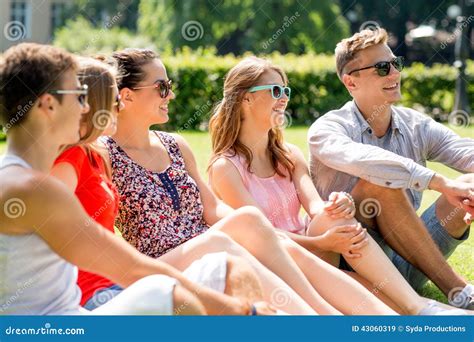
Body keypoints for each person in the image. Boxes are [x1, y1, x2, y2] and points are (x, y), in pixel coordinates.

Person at [105, 48, 461, 315]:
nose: (171, 94)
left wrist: (325, 214)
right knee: (250, 224)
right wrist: (308, 237)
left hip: (222, 242)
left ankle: (404, 316)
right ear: (127, 95)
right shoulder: (107, 153)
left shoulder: (175, 145)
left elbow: (214, 211)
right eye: (162, 86)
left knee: (265, 231)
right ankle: (325, 323)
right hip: (163, 259)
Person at [0, 43, 272, 316]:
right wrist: (244, 311)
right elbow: (131, 269)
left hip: (75, 315)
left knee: (228, 269)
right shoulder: (33, 189)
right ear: (48, 105)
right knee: (167, 296)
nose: (86, 108)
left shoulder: (26, 179)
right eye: (79, 97)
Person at [207, 55, 469, 316]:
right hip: (274, 263)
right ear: (246, 98)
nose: (284, 98)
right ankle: (422, 308)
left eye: (285, 90)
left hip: (315, 254)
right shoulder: (225, 168)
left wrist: (339, 203)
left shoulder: (289, 155)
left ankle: (424, 308)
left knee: (333, 216)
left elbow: (315, 207)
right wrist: (321, 242)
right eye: (275, 90)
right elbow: (261, 235)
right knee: (386, 307)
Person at [307, 28, 474, 309]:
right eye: (383, 68)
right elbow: (365, 160)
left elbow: (464, 151)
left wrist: (461, 186)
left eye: (396, 64)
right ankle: (459, 291)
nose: (395, 74)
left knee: (469, 184)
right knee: (378, 186)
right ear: (351, 82)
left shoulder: (414, 125)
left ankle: (414, 289)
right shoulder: (327, 129)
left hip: (411, 262)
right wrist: (439, 181)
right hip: (358, 270)